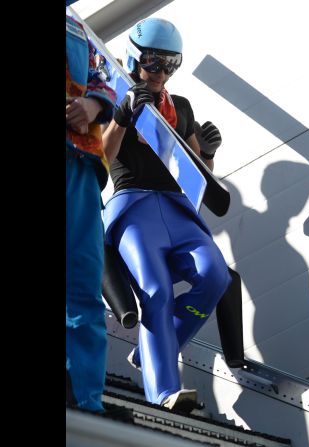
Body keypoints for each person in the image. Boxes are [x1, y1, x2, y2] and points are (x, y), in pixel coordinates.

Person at [101, 17, 229, 411]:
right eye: (153, 63)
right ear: (135, 58)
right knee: (155, 291)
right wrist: (122, 115)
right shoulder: (110, 95)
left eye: (170, 65)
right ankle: (164, 391)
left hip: (175, 208)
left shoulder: (180, 108)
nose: (160, 74)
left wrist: (207, 153)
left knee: (215, 276)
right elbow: (101, 155)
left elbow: (194, 171)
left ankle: (151, 351)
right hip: (133, 206)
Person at [66, 0, 117, 413]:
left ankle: (86, 398)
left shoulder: (76, 26)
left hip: (80, 167)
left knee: (83, 283)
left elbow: (103, 77)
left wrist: (94, 106)